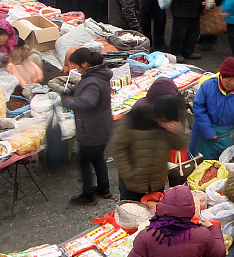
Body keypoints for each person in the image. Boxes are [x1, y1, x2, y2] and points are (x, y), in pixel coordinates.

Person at [112, 79, 187, 201]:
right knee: (132, 215)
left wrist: (177, 132)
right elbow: (118, 148)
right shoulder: (136, 115)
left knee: (155, 217)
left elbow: (179, 145)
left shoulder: (170, 115)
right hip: (133, 185)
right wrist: (129, 174)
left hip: (156, 183)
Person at [59, 47, 114, 204]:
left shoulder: (92, 80)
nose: (75, 68)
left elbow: (88, 102)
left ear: (84, 63)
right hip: (103, 126)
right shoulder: (99, 73)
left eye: (76, 65)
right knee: (98, 158)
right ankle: (104, 189)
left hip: (92, 129)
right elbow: (86, 90)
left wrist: (68, 101)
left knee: (84, 162)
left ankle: (87, 195)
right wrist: (73, 90)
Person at [189, 57, 234, 159]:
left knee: (227, 164)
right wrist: (208, 131)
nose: (232, 83)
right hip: (206, 134)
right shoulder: (208, 86)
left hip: (230, 135)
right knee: (203, 164)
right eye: (228, 79)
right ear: (221, 76)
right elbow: (199, 108)